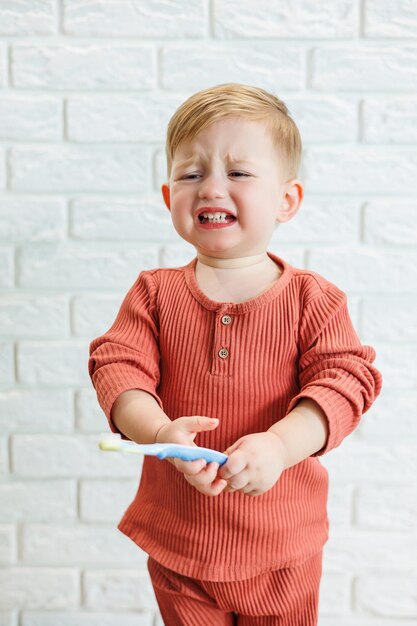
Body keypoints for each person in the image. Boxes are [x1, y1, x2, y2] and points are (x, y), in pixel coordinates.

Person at [88, 83, 382, 626]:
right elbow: (117, 367)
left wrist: (279, 445)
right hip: (181, 542)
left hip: (283, 548)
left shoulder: (312, 300)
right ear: (166, 196)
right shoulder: (153, 293)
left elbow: (344, 384)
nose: (210, 188)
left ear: (287, 200)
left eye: (239, 173)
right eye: (191, 174)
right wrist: (158, 433)